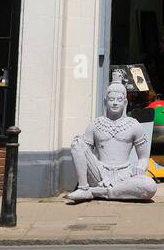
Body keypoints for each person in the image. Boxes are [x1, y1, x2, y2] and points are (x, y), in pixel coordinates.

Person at [66, 73, 157, 203]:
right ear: (105, 101)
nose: (115, 103)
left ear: (125, 102)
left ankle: (100, 192)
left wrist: (140, 168)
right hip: (99, 174)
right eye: (111, 99)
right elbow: (86, 153)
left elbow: (143, 157)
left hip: (125, 176)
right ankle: (83, 188)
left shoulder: (134, 125)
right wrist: (93, 165)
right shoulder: (95, 124)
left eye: (119, 100)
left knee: (150, 186)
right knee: (77, 143)